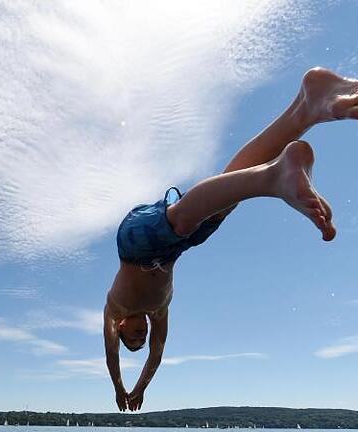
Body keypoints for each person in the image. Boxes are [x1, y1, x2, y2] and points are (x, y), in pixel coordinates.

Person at [104, 67, 358, 412]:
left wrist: (120, 387)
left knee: (181, 218)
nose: (142, 334)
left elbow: (111, 354)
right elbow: (157, 356)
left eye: (134, 335)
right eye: (141, 337)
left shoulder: (115, 309)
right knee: (226, 197)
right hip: (176, 247)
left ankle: (274, 176)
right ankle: (306, 107)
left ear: (121, 326)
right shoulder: (159, 311)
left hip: (135, 242)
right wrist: (142, 389)